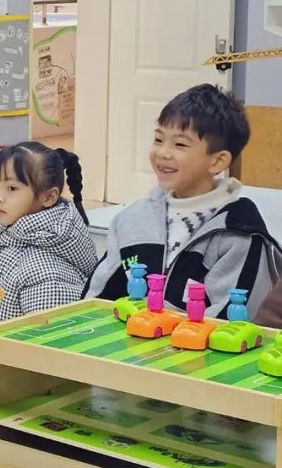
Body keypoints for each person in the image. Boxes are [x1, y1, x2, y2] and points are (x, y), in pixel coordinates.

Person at [84, 84, 282, 317]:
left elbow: (233, 320)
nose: (163, 153)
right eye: (158, 139)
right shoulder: (131, 221)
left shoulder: (239, 234)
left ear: (217, 161)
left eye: (179, 144)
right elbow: (96, 298)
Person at [0, 142, 96, 327]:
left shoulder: (46, 275)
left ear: (48, 197)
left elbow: (43, 339)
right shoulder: (10, 234)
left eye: (11, 188)